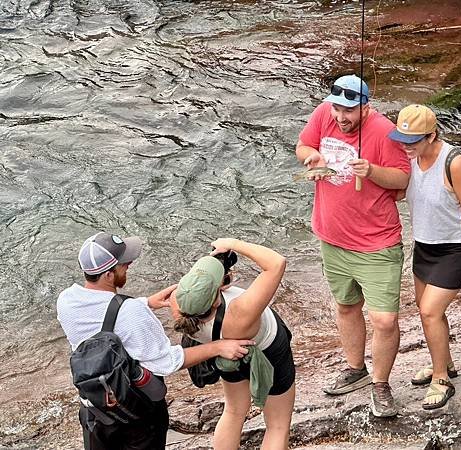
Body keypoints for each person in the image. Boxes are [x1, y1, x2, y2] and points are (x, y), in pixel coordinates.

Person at [57, 232, 253, 450]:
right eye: (123, 264)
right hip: (136, 414)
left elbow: (101, 316)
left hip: (95, 408)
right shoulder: (131, 311)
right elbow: (168, 362)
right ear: (108, 276)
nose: (129, 265)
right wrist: (218, 347)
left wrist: (147, 302)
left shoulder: (66, 301)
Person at [295, 74, 411, 417]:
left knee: (385, 320)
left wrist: (372, 170)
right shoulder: (324, 114)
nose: (341, 117)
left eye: (349, 111)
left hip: (376, 242)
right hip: (332, 236)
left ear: (365, 107)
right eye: (337, 109)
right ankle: (355, 368)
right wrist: (312, 159)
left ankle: (381, 385)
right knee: (346, 306)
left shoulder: (383, 131)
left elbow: (403, 179)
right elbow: (303, 146)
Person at [388, 104, 461, 410]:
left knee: (430, 311)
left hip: (456, 247)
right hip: (424, 246)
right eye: (402, 140)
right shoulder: (409, 159)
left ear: (432, 135)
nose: (406, 147)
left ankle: (440, 380)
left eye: (413, 141)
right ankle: (444, 363)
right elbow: (402, 192)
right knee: (427, 309)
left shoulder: (454, 162)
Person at [170, 238, 294, 450]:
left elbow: (194, 293)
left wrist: (215, 274)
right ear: (216, 297)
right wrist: (232, 243)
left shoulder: (180, 307)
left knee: (234, 412)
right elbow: (276, 263)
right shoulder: (240, 311)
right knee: (277, 425)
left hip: (227, 354)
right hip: (269, 352)